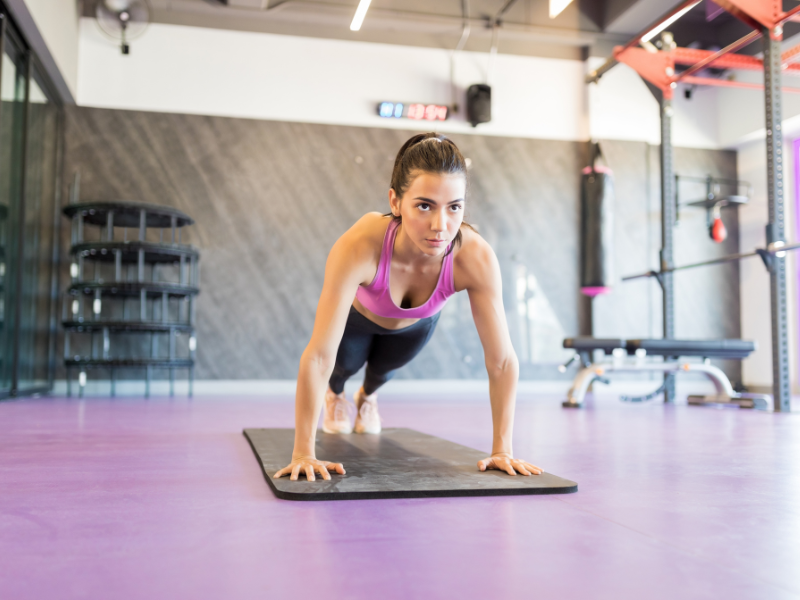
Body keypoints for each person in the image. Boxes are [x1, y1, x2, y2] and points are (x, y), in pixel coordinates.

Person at [274, 132, 542, 482]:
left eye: (454, 207)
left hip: (415, 327)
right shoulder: (361, 243)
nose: (440, 226)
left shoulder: (475, 257)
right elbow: (318, 355)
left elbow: (502, 360)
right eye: (424, 205)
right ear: (396, 201)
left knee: (381, 374)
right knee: (343, 366)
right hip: (360, 321)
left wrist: (502, 449)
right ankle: (336, 396)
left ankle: (367, 398)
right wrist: (303, 454)